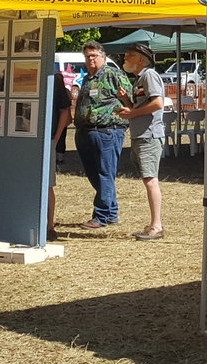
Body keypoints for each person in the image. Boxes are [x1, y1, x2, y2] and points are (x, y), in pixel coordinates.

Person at [72, 41, 134, 230]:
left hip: (107, 131)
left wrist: (125, 105)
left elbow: (130, 100)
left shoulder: (113, 74)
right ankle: (111, 211)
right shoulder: (87, 79)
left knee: (104, 174)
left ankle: (101, 215)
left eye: (94, 55)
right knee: (95, 175)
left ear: (103, 57)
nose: (90, 59)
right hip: (86, 132)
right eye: (87, 56)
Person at [117, 41, 168, 241]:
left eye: (129, 55)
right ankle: (154, 224)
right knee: (148, 179)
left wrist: (132, 112)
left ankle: (156, 226)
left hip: (149, 135)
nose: (125, 58)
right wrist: (126, 102)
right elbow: (138, 109)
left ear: (140, 59)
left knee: (150, 180)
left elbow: (157, 103)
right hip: (141, 135)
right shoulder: (139, 79)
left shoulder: (149, 75)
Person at [46, 72, 74, 241]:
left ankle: (49, 227)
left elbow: (66, 114)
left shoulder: (55, 78)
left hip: (47, 139)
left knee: (47, 184)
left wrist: (55, 139)